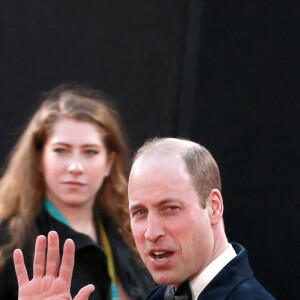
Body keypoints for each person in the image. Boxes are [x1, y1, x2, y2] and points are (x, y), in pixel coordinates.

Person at [13, 137, 275, 299]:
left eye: (170, 208)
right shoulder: (159, 297)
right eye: (140, 212)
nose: (151, 232)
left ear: (214, 207)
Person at [0, 83, 155, 300]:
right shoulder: (8, 240)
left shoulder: (131, 233)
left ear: (109, 163)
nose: (75, 167)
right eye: (61, 150)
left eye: (90, 152)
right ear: (39, 159)